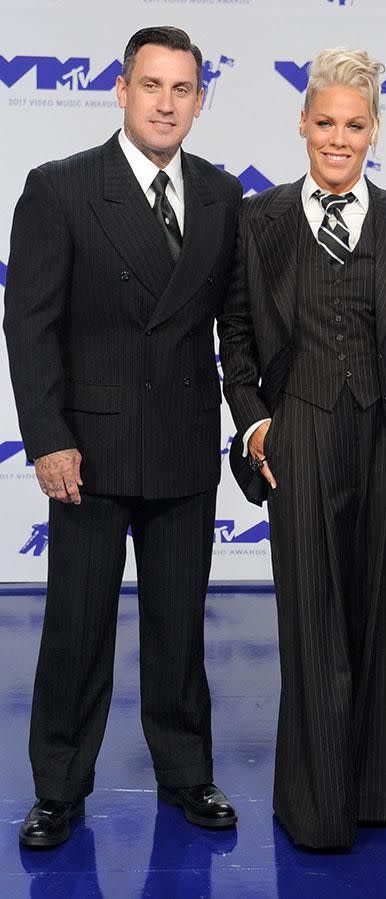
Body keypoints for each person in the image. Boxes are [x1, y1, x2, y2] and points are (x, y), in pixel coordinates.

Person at [3, 26, 242, 848]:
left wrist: (256, 423)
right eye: (153, 86)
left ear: (200, 101)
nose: (167, 103)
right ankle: (59, 789)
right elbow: (28, 325)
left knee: (180, 627)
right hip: (89, 454)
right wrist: (47, 437)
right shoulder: (61, 187)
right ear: (121, 89)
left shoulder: (220, 194)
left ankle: (185, 773)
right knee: (76, 629)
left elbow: (235, 327)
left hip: (182, 444)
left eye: (183, 90)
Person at [218, 48, 386, 850]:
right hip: (304, 434)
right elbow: (239, 339)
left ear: (375, 131)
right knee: (314, 624)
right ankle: (318, 809)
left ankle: (385, 793)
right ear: (302, 122)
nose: (338, 137)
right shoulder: (260, 221)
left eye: (355, 125)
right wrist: (256, 426)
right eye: (325, 122)